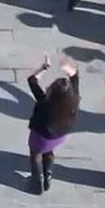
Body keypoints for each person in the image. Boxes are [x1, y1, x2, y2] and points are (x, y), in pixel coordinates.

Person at [25, 56, 80, 193]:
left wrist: (43, 68)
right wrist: (69, 70)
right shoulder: (74, 100)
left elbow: (32, 81)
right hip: (59, 135)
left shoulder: (44, 102)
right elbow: (75, 80)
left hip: (41, 136)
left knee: (36, 155)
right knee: (49, 151)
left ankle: (37, 184)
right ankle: (48, 173)